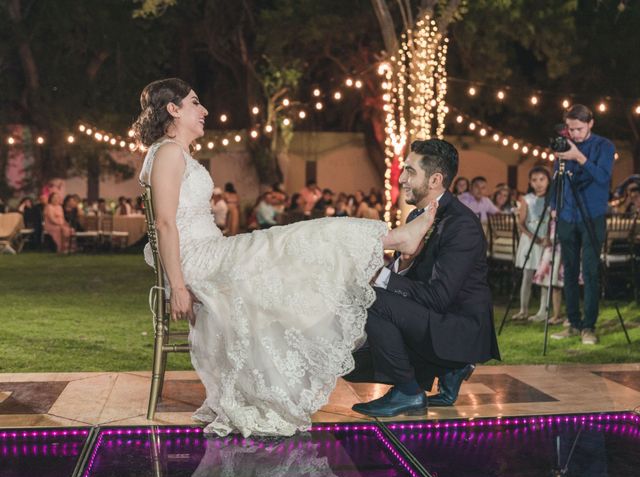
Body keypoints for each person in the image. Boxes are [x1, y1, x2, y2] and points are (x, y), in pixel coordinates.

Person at [133, 78, 436, 437]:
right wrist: (179, 287)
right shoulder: (167, 152)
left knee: (289, 248)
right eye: (195, 103)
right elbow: (166, 223)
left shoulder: (176, 153)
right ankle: (396, 238)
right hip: (199, 261)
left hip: (211, 253)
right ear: (173, 109)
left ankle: (392, 239)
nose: (204, 111)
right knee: (293, 240)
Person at [346, 139, 500, 416]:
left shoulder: (461, 224)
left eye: (409, 171)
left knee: (369, 297)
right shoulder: (419, 215)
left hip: (459, 327)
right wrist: (402, 264)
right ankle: (448, 369)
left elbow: (439, 296)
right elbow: (410, 279)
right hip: (432, 317)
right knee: (349, 365)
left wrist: (379, 277)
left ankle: (408, 391)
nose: (401, 178)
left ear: (435, 180)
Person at [550, 104, 615, 345]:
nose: (573, 134)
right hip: (567, 215)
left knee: (589, 271)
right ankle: (573, 323)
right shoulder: (565, 143)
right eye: (570, 129)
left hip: (592, 215)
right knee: (568, 271)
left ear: (590, 123)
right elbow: (557, 176)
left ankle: (589, 326)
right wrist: (553, 206)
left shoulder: (604, 146)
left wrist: (579, 156)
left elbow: (603, 177)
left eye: (578, 128)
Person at [511, 167, 551, 322]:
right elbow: (521, 223)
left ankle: (543, 311)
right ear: (530, 182)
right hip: (530, 240)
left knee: (544, 276)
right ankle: (523, 309)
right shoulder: (526, 198)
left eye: (542, 179)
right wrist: (532, 236)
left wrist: (547, 237)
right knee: (527, 276)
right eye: (535, 180)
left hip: (546, 240)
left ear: (548, 180)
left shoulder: (551, 199)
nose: (539, 183)